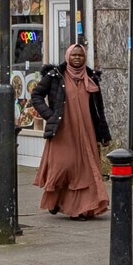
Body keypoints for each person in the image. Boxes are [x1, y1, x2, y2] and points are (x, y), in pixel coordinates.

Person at [30, 43, 110, 220]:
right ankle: (56, 200)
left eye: (80, 55)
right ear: (67, 57)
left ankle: (80, 208)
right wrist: (50, 116)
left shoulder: (91, 77)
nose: (77, 58)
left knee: (84, 170)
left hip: (86, 131)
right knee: (63, 166)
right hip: (63, 129)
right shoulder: (55, 76)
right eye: (74, 55)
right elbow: (36, 96)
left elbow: (99, 108)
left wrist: (104, 133)